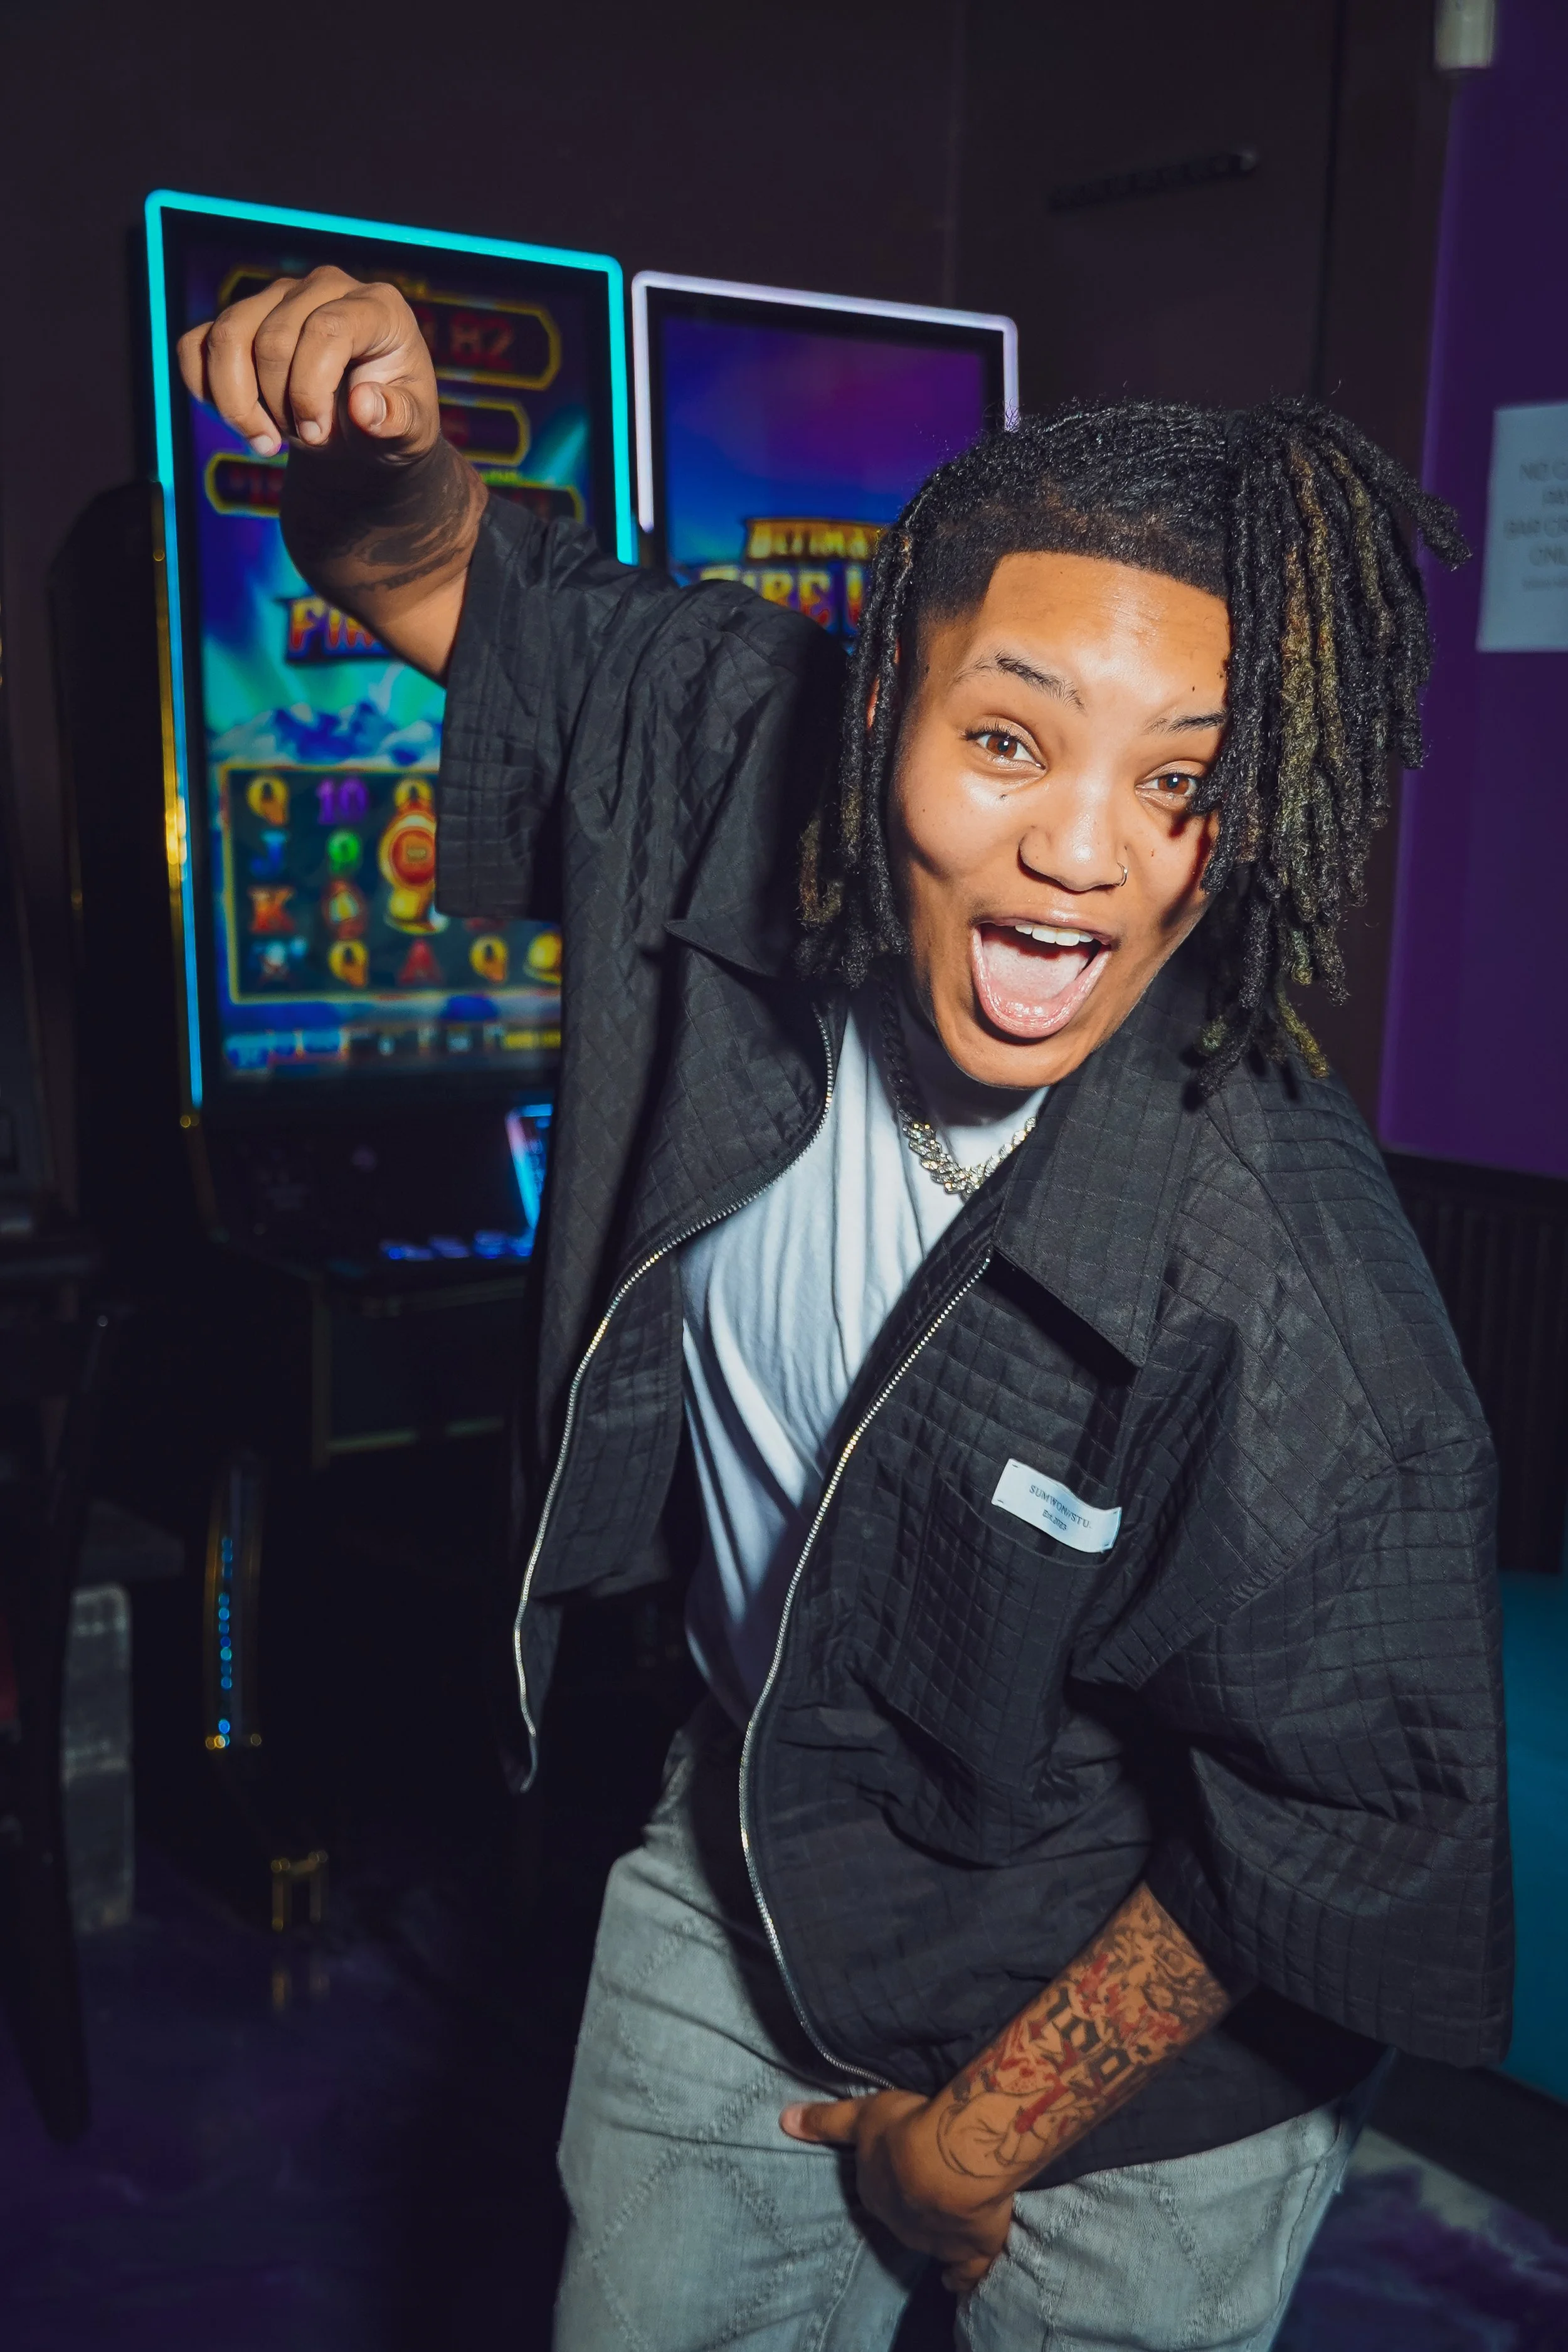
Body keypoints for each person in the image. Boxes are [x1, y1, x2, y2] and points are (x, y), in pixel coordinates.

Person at [181, 273, 1512, 2352]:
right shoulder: (741, 745)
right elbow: (433, 570)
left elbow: (1346, 1836)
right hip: (750, 1858)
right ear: (880, 695)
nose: (1082, 856)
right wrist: (379, 463)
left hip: (1143, 2053)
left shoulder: (1289, 1295)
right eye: (1004, 738)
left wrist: (963, 2142)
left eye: (1182, 779)